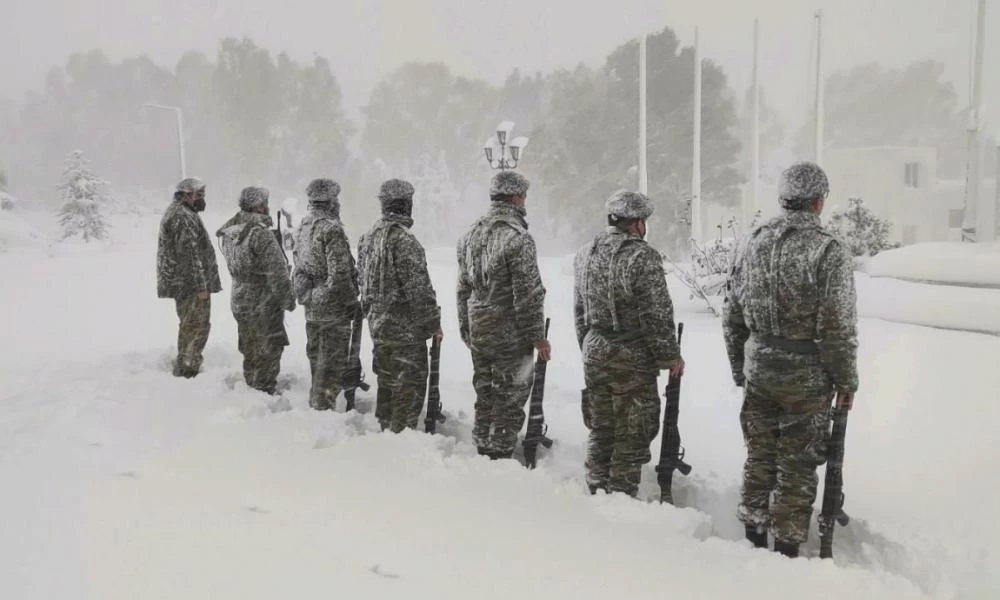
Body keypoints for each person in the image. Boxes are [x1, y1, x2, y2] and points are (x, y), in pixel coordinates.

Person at [723, 161, 858, 558]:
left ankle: (752, 538)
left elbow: (732, 314)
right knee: (797, 465)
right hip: (806, 378)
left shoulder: (753, 242)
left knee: (760, 455)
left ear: (784, 198)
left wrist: (740, 369)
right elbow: (837, 327)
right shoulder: (828, 250)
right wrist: (846, 380)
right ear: (818, 201)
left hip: (760, 369)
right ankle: (785, 549)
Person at [573, 190, 684, 497]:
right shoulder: (642, 256)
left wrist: (589, 345)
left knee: (601, 426)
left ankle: (595, 486)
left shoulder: (586, 253)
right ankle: (620, 495)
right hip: (631, 355)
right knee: (632, 432)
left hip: (595, 349)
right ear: (636, 223)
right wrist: (670, 357)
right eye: (643, 221)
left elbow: (579, 310)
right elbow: (656, 314)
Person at [456, 170, 549, 460]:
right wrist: (538, 337)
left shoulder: (469, 235)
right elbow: (528, 294)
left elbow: (463, 288)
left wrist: (466, 328)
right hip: (510, 332)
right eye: (524, 196)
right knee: (509, 396)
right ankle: (499, 453)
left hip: (479, 328)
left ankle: (482, 443)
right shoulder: (518, 239)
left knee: (485, 393)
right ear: (516, 197)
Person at [357, 179, 442, 432]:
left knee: (387, 387)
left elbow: (362, 280)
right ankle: (400, 443)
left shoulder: (367, 238)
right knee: (408, 391)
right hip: (405, 333)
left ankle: (385, 434)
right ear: (407, 205)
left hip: (380, 328)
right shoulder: (404, 241)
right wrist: (433, 324)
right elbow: (418, 289)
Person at [216, 186, 295, 394]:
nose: (268, 207)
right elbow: (277, 272)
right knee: (270, 347)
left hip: (240, 298)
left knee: (250, 346)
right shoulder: (260, 234)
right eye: (265, 203)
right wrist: (288, 299)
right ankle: (264, 390)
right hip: (263, 302)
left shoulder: (230, 231)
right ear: (259, 206)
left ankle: (251, 386)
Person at [292, 178, 360, 411]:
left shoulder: (303, 227)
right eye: (336, 199)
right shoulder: (331, 228)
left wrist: (310, 295)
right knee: (331, 366)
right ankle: (324, 413)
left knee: (316, 361)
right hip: (332, 307)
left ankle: (317, 404)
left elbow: (298, 268)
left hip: (312, 307)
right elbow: (339, 273)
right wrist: (351, 302)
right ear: (330, 201)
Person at [156, 177, 222, 378]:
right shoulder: (182, 217)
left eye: (203, 194)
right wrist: (201, 286)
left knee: (190, 324)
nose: (202, 199)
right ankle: (188, 367)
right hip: (189, 285)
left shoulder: (183, 213)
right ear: (186, 195)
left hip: (184, 283)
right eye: (198, 195)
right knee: (196, 325)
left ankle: (187, 361)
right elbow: (190, 254)